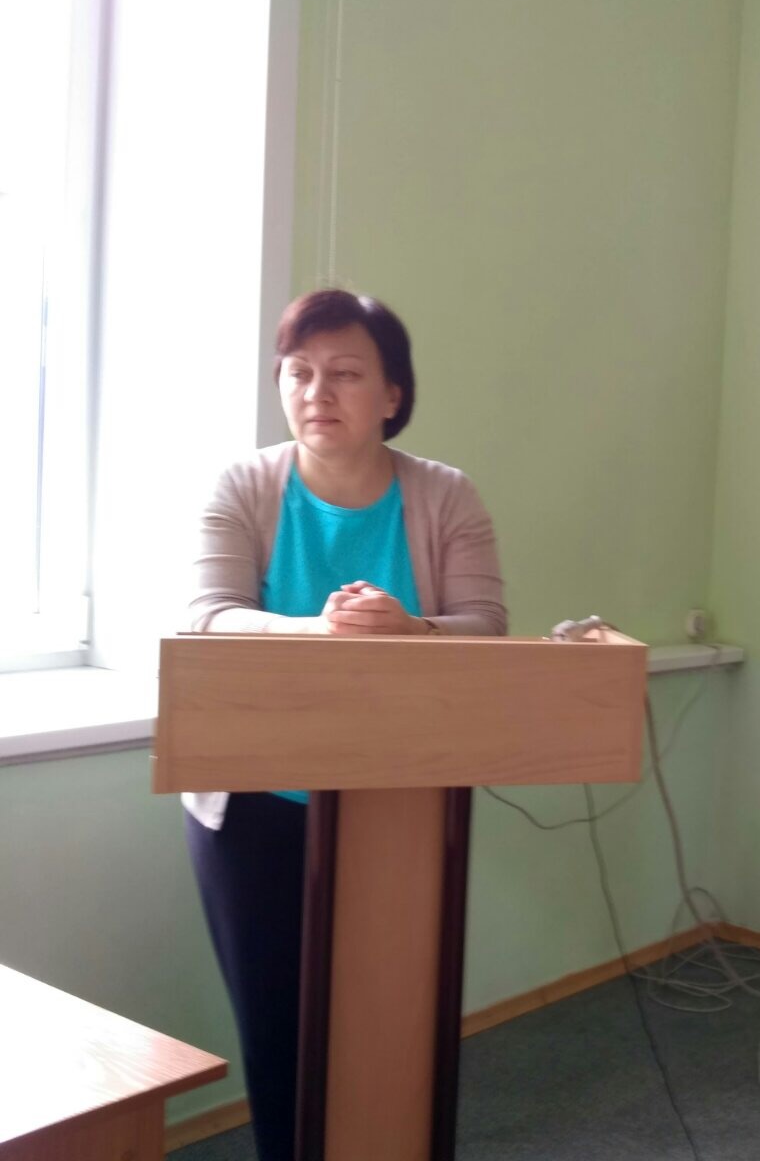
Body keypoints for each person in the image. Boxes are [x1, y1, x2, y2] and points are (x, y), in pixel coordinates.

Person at [183, 289, 507, 1159]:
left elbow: (487, 627)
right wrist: (317, 630)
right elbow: (207, 617)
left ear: (393, 393)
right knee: (278, 1030)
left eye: (345, 374)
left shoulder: (445, 495)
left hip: (402, 803)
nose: (316, 392)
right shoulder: (243, 485)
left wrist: (413, 629)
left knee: (392, 1021)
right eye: (298, 373)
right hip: (252, 802)